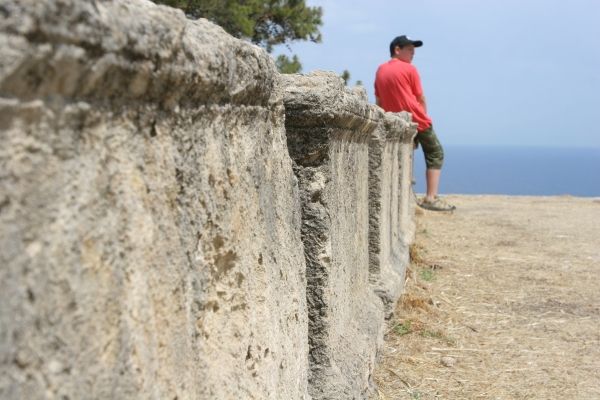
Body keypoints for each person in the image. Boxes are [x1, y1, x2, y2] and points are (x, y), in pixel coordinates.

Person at [374, 35, 455, 212]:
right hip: (417, 119)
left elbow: (379, 100)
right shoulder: (410, 69)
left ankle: (403, 193)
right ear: (397, 50)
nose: (413, 54)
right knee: (435, 152)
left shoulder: (380, 70)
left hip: (393, 120)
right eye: (410, 49)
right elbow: (420, 97)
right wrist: (423, 117)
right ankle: (430, 198)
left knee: (403, 157)